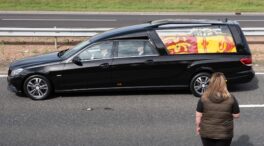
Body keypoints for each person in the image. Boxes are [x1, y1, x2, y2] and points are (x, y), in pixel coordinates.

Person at [195, 72, 240, 146]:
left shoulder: (204, 98)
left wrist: (198, 127)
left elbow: (198, 116)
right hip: (225, 133)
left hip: (207, 132)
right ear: (224, 83)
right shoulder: (231, 98)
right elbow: (237, 115)